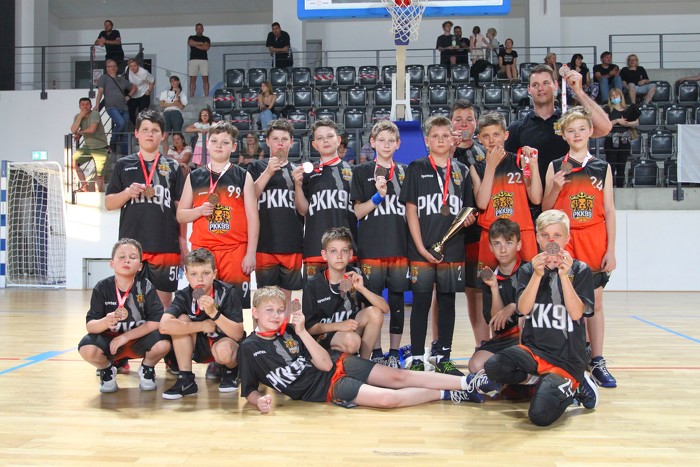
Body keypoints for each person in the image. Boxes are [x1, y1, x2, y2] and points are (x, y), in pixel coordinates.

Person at [239, 286, 490, 413]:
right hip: (326, 388)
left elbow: (325, 364)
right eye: (269, 310)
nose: (275, 315)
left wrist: (303, 331)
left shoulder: (292, 331)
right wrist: (259, 401)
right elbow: (249, 388)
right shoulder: (249, 348)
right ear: (255, 313)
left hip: (338, 363)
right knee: (387, 399)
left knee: (398, 377)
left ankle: (468, 382)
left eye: (279, 310)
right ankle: (448, 394)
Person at [484, 210, 600, 426]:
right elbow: (523, 309)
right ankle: (537, 380)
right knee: (493, 366)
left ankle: (576, 386)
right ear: (537, 237)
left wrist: (564, 276)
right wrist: (537, 275)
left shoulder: (580, 270)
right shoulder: (528, 270)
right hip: (535, 352)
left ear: (567, 238)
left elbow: (577, 313)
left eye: (557, 235)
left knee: (539, 416)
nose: (551, 241)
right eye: (545, 235)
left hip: (567, 360)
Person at [542, 106, 618, 389]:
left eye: (581, 129)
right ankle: (570, 357)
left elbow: (609, 210)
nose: (576, 134)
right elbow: (545, 208)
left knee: (595, 303)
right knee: (564, 302)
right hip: (566, 241)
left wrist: (611, 250)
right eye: (571, 130)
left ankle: (597, 360)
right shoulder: (555, 167)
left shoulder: (602, 167)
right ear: (563, 135)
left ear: (590, 131)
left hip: (594, 240)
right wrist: (555, 187)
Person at [399, 116, 477, 374]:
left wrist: (469, 219)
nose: (441, 140)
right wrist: (420, 248)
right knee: (421, 303)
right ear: (427, 140)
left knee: (447, 303)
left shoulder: (462, 171)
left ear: (452, 139)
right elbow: (411, 211)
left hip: (452, 249)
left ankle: (443, 357)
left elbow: (468, 210)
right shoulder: (416, 167)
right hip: (421, 249)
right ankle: (417, 357)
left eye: (445, 136)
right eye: (435, 136)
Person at [105, 110, 186, 309]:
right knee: (131, 304)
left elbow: (180, 211)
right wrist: (127, 193)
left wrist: (183, 244)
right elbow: (109, 203)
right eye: (145, 130)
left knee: (163, 305)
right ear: (136, 133)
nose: (150, 134)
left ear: (163, 135)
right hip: (131, 247)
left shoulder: (173, 166)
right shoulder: (123, 165)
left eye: (155, 130)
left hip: (165, 245)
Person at [176, 121, 259, 309]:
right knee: (201, 305)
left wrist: (251, 253)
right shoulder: (194, 177)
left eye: (225, 142)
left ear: (234, 146)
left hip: (235, 250)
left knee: (236, 307)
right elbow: (181, 215)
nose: (219, 146)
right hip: (203, 251)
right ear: (207, 144)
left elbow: (253, 217)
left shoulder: (243, 176)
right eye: (214, 141)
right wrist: (199, 211)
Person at [78, 238, 171, 394]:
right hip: (111, 343)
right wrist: (105, 322)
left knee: (164, 343)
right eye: (121, 256)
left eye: (132, 257)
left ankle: (147, 368)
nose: (127, 260)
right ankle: (107, 370)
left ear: (140, 266)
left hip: (138, 341)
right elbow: (91, 326)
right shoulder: (102, 287)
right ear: (111, 263)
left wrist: (125, 337)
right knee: (87, 348)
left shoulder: (146, 286)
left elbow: (155, 322)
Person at [351, 121, 409, 368]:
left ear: (398, 144)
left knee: (397, 302)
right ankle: (375, 352)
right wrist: (377, 197)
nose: (386, 145)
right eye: (381, 140)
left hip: (399, 247)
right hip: (371, 248)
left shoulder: (406, 172)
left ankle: (394, 352)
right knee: (371, 302)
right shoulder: (361, 171)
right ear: (372, 143)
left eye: (391, 140)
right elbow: (356, 212)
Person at [505, 64, 612, 188]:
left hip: (570, 196)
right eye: (535, 85)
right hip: (532, 198)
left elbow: (605, 128)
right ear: (529, 89)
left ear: (555, 85)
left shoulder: (571, 123)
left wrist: (579, 91)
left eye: (546, 83)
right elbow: (509, 171)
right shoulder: (517, 129)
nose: (540, 88)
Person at [160, 248, 244, 398]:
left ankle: (231, 370)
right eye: (194, 274)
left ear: (214, 273)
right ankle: (186, 379)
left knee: (224, 352)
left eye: (205, 273)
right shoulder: (183, 295)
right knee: (181, 320)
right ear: (186, 276)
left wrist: (214, 314)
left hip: (222, 344)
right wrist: (202, 325)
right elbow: (164, 326)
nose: (200, 279)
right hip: (197, 346)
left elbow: (238, 334)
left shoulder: (228, 292)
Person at [302, 227, 388, 360]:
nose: (339, 256)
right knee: (352, 341)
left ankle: (364, 363)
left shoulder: (355, 274)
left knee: (375, 313)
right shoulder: (314, 284)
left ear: (350, 254)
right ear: (324, 255)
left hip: (349, 329)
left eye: (344, 251)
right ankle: (329, 361)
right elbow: (310, 328)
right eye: (333, 251)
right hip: (325, 336)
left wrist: (362, 289)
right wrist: (339, 326)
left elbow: (385, 309)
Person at [471, 111, 541, 272]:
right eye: (486, 136)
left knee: (527, 283)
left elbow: (536, 198)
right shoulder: (477, 168)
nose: (491, 140)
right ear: (479, 138)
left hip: (522, 231)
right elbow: (482, 203)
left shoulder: (520, 161)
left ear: (506, 135)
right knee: (489, 284)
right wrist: (490, 166)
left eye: (496, 134)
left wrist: (534, 166)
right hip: (491, 233)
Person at [465, 219, 525, 402]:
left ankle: (526, 380)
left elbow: (534, 307)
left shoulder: (529, 270)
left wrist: (513, 306)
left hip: (526, 337)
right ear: (490, 247)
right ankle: (508, 381)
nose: (503, 249)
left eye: (508, 243)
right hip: (504, 338)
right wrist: (494, 288)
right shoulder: (489, 277)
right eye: (497, 244)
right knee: (475, 365)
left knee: (524, 324)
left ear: (519, 244)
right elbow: (496, 321)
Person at [247, 119, 304, 304]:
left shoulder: (297, 171)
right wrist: (268, 172)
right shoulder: (256, 167)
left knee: (287, 298)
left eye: (284, 139)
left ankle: (286, 323)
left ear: (291, 142)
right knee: (264, 298)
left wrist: (298, 184)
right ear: (267, 141)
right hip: (265, 243)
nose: (280, 143)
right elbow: (250, 196)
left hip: (292, 243)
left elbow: (303, 209)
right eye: (275, 139)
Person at [294, 119, 356, 279]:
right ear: (314, 145)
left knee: (347, 292)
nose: (325, 141)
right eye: (320, 138)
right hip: (316, 247)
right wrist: (298, 185)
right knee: (314, 293)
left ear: (338, 140)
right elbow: (303, 210)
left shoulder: (354, 171)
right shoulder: (308, 173)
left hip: (346, 249)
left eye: (329, 136)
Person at [450, 100, 488, 348]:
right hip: (447, 232)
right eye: (458, 120)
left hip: (477, 232)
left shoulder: (484, 152)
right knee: (442, 292)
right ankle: (439, 348)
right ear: (451, 123)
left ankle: (482, 346)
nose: (463, 125)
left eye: (469, 120)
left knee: (476, 292)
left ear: (475, 124)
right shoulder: (443, 151)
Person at [93, 59, 137, 156]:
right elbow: (100, 91)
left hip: (124, 107)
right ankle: (113, 142)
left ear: (117, 68)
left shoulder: (121, 79)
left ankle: (125, 154)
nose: (112, 68)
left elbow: (134, 87)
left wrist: (129, 96)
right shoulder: (104, 78)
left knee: (125, 131)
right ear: (107, 68)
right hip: (111, 106)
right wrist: (97, 104)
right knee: (121, 123)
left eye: (114, 66)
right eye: (110, 66)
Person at [602, 88, 639, 188]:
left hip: (624, 141)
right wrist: (617, 121)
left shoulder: (627, 109)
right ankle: (609, 188)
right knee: (611, 166)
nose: (615, 97)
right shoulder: (607, 108)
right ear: (610, 98)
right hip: (611, 140)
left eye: (616, 95)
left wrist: (626, 123)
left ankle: (620, 187)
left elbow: (637, 122)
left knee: (621, 167)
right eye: (612, 96)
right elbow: (605, 123)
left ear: (621, 96)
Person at [71, 97, 109, 192]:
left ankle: (99, 194)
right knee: (72, 162)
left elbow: (92, 129)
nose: (85, 106)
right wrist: (80, 117)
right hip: (87, 147)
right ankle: (84, 185)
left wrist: (79, 133)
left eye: (87, 104)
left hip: (100, 148)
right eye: (83, 104)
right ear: (79, 106)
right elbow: (73, 130)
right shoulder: (77, 116)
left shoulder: (95, 114)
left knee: (99, 175)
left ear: (91, 105)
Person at [159, 76, 188, 153]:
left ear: (178, 82)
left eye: (175, 81)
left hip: (176, 113)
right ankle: (165, 155)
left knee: (177, 135)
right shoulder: (165, 92)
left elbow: (181, 107)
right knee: (165, 135)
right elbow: (162, 104)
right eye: (171, 81)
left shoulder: (182, 94)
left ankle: (177, 153)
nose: (173, 82)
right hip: (166, 113)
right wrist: (173, 104)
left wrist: (177, 96)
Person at [125, 59, 155, 126]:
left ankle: (140, 127)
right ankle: (137, 126)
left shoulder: (144, 72)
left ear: (138, 65)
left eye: (135, 65)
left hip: (143, 93)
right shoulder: (127, 69)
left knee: (142, 114)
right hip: (133, 94)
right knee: (130, 113)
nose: (133, 68)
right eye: (131, 66)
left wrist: (149, 91)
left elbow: (152, 81)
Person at [188, 23, 211, 97]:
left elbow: (206, 47)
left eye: (200, 28)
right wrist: (201, 43)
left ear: (203, 29)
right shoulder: (191, 37)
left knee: (205, 78)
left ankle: (206, 96)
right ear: (195, 29)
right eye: (197, 28)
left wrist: (196, 45)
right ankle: (191, 96)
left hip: (203, 60)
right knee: (192, 79)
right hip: (193, 60)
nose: (199, 30)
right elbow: (190, 43)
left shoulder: (206, 39)